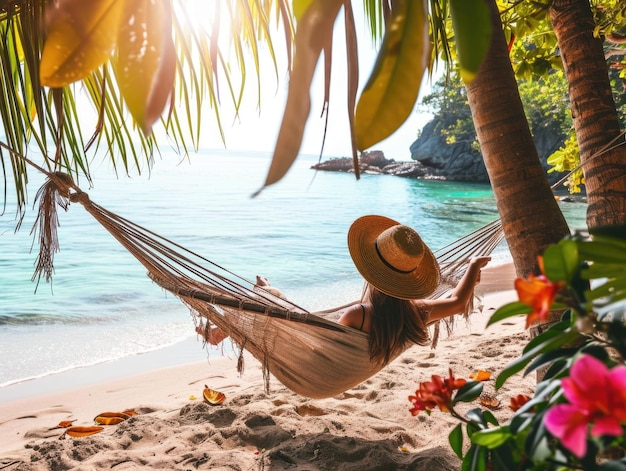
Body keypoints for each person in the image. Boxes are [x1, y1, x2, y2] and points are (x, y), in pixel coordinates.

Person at [198, 214, 490, 366]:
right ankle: (265, 298)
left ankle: (228, 325)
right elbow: (457, 300)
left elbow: (319, 347)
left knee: (268, 307)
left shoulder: (357, 315)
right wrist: (473, 267)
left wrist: (277, 313)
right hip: (343, 354)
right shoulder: (418, 311)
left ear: (372, 273)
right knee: (275, 301)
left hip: (317, 365)